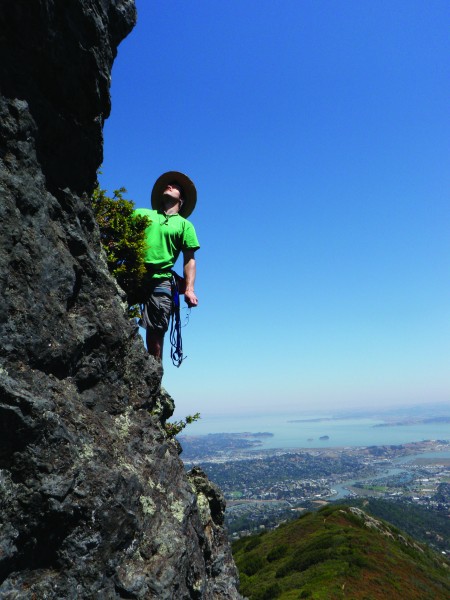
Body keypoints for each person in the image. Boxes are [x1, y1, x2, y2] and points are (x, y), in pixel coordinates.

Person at [134, 171, 200, 361]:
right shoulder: (142, 214)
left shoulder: (185, 225)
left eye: (175, 185)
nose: (169, 186)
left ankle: (154, 377)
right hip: (134, 274)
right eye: (167, 184)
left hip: (162, 280)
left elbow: (190, 259)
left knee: (155, 334)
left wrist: (189, 289)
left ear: (182, 200)